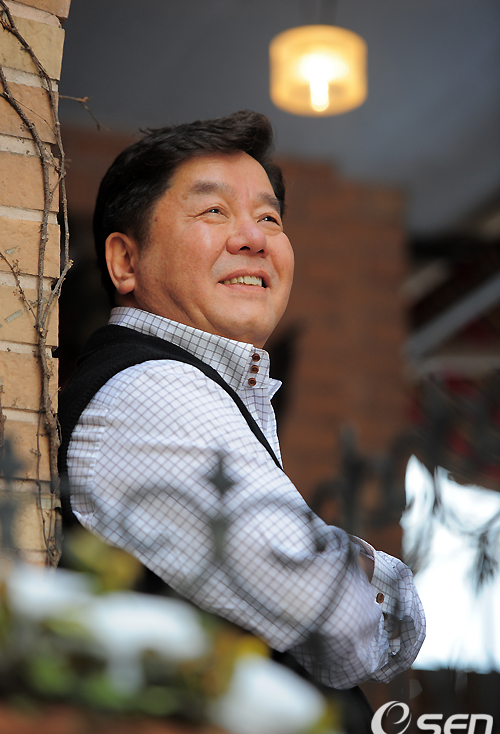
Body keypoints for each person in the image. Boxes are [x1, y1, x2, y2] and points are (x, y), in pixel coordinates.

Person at [59, 110, 424, 702]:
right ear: (125, 262)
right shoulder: (154, 392)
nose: (253, 238)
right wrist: (361, 566)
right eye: (213, 211)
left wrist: (332, 553)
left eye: (269, 218)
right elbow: (336, 617)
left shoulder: (191, 387)